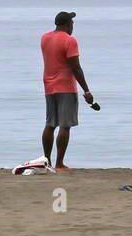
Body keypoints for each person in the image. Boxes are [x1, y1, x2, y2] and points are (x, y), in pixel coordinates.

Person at [40, 11, 94, 171]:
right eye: (72, 23)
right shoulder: (70, 41)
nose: (73, 26)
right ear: (67, 24)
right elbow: (76, 67)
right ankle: (59, 163)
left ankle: (47, 161)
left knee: (50, 123)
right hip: (65, 86)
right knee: (65, 125)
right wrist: (87, 90)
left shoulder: (44, 38)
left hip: (48, 86)